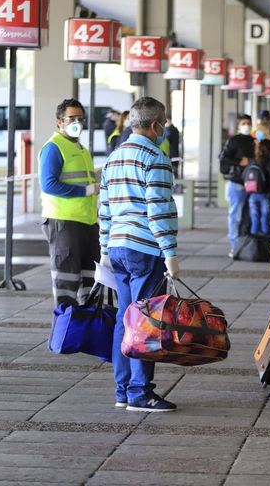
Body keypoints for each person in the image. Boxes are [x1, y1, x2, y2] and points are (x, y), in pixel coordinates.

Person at [98, 96, 179, 413]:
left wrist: (105, 247)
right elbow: (158, 210)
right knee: (145, 320)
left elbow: (104, 208)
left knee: (124, 318)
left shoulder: (114, 157)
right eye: (164, 124)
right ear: (157, 124)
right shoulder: (155, 157)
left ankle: (122, 390)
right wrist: (170, 254)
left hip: (118, 247)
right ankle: (140, 392)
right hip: (145, 250)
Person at [39, 99, 99, 307]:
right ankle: (65, 334)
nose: (77, 122)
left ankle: (86, 332)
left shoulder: (81, 148)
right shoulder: (54, 148)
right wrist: (85, 190)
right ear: (59, 122)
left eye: (80, 118)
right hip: (64, 223)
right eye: (71, 118)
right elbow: (48, 185)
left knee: (90, 282)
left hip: (87, 222)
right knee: (67, 284)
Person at [219, 114, 255, 255]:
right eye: (244, 123)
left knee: (248, 216)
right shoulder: (233, 141)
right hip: (237, 183)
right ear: (239, 125)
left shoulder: (254, 141)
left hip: (252, 183)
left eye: (248, 123)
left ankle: (244, 244)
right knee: (236, 215)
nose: (246, 125)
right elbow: (223, 159)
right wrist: (239, 162)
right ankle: (234, 245)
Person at [246, 139, 270, 237]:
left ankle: (254, 244)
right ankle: (265, 242)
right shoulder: (269, 162)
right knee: (265, 219)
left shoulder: (253, 161)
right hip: (265, 195)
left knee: (254, 219)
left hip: (252, 194)